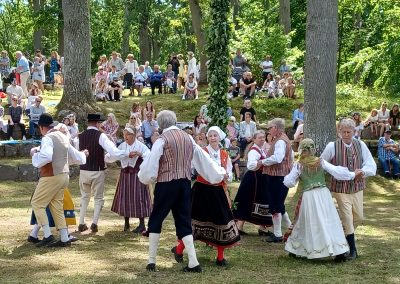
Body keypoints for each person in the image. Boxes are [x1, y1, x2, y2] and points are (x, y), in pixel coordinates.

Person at [138, 110, 226, 272]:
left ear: (161, 124)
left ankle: (151, 261)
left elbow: (151, 163)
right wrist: (217, 174)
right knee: (184, 221)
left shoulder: (162, 140)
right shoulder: (188, 139)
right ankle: (193, 262)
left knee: (157, 218)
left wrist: (146, 177)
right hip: (184, 184)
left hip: (166, 184)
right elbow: (203, 160)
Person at [283, 139, 351, 259]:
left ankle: (298, 249)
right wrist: (352, 175)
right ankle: (338, 251)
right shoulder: (321, 162)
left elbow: (289, 182)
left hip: (309, 196)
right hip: (323, 194)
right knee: (328, 220)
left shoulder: (299, 165)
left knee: (308, 222)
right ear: (313, 149)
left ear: (302, 149)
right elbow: (336, 172)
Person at [321, 118, 377, 261]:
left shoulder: (361, 144)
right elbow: (322, 162)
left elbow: (370, 163)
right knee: (347, 217)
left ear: (354, 132)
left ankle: (339, 237)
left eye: (348, 132)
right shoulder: (332, 146)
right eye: (343, 131)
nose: (346, 134)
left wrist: (363, 172)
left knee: (358, 217)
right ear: (339, 132)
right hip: (340, 189)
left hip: (357, 188)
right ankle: (352, 250)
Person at [30, 114, 88, 247]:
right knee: (56, 206)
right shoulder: (63, 136)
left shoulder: (47, 138)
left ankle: (47, 235)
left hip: (52, 176)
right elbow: (74, 155)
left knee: (37, 203)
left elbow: (47, 156)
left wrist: (35, 156)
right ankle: (64, 238)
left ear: (42, 127)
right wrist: (83, 156)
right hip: (64, 175)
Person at [191, 126, 240, 266]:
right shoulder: (202, 152)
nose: (213, 137)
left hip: (218, 191)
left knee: (221, 222)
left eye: (215, 135)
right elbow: (196, 168)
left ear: (220, 137)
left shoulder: (224, 154)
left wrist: (227, 176)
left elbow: (229, 172)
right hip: (202, 190)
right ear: (207, 137)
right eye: (210, 135)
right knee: (193, 220)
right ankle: (180, 248)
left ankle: (220, 257)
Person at [77, 113, 127, 233]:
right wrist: (126, 153)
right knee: (98, 198)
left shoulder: (80, 136)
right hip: (97, 170)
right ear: (97, 123)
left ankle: (81, 222)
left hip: (84, 170)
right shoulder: (101, 136)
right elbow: (113, 151)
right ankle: (94, 222)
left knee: (84, 197)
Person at [105, 126, 151, 233]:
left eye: (128, 134)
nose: (125, 136)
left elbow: (149, 156)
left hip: (137, 176)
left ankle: (142, 224)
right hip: (125, 176)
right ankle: (126, 224)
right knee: (125, 197)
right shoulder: (122, 146)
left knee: (139, 197)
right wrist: (114, 155)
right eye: (124, 134)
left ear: (134, 135)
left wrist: (140, 154)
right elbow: (109, 156)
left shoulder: (141, 146)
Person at [233, 131, 273, 235]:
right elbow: (251, 165)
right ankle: (240, 226)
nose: (262, 139)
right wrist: (261, 163)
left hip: (259, 180)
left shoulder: (260, 150)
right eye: (259, 138)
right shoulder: (254, 151)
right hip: (254, 180)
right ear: (254, 139)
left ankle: (260, 227)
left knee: (257, 201)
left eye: (263, 137)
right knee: (248, 201)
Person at [262, 118, 294, 243]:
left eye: (270, 128)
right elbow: (289, 157)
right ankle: (292, 229)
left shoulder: (280, 141)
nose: (268, 131)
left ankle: (278, 234)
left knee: (275, 205)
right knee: (279, 205)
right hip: (282, 175)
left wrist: (262, 162)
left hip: (277, 176)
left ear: (276, 128)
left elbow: (278, 158)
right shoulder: (284, 139)